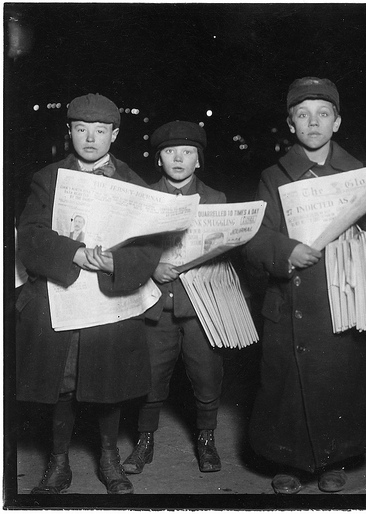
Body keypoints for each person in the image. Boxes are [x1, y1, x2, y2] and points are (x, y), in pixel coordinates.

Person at [242, 77, 366, 494]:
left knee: (337, 380)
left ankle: (334, 458)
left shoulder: (360, 174)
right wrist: (286, 251)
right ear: (291, 124)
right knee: (284, 385)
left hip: (340, 298)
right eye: (302, 115)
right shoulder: (273, 176)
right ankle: (287, 460)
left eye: (323, 115)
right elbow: (255, 237)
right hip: (287, 299)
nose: (313, 123)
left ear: (337, 122)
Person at [16, 93, 163, 494]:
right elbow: (28, 237)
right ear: (69, 132)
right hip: (62, 293)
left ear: (114, 134)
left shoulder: (131, 182)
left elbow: (150, 243)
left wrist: (118, 264)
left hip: (108, 298)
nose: (90, 138)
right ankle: (59, 461)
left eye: (100, 131)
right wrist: (74, 252)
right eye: (81, 129)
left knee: (107, 381)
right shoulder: (49, 177)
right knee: (64, 380)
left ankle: (109, 458)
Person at [122, 121, 226, 475]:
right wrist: (153, 266)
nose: (178, 159)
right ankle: (144, 439)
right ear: (158, 159)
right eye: (170, 152)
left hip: (201, 306)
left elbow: (224, 253)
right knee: (151, 375)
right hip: (157, 305)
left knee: (206, 373)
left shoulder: (216, 199)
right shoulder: (145, 198)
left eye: (187, 153)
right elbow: (130, 249)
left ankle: (207, 439)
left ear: (199, 161)